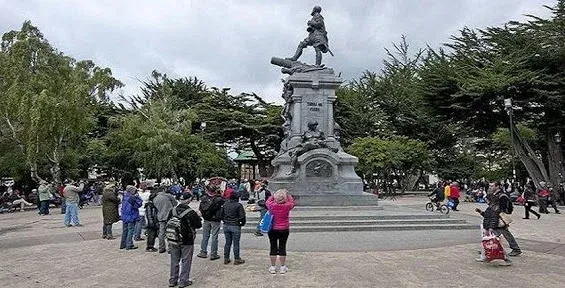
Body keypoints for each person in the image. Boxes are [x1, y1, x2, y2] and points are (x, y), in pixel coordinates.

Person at [168, 193, 202, 288]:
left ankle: (172, 280)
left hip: (173, 238)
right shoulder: (190, 212)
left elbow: (168, 222)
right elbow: (198, 225)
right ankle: (183, 281)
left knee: (174, 260)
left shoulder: (173, 210)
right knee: (186, 260)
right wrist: (198, 216)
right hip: (187, 239)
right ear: (189, 200)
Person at [475, 193, 512, 265]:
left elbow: (494, 219)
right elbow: (487, 216)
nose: (486, 201)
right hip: (489, 227)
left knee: (495, 243)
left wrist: (491, 228)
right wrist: (480, 212)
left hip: (492, 228)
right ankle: (483, 256)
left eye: (487, 200)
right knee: (487, 242)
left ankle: (506, 258)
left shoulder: (494, 208)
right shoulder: (492, 207)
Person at [266, 189, 296, 274]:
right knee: (282, 247)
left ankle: (273, 267)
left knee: (273, 247)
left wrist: (274, 195)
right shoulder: (287, 206)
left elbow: (268, 201)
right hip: (284, 229)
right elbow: (292, 202)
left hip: (272, 228)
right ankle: (282, 267)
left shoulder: (271, 205)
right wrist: (287, 194)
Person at [197, 186, 225, 260]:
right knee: (214, 237)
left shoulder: (204, 198)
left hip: (206, 219)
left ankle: (203, 252)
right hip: (215, 219)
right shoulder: (219, 199)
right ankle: (213, 254)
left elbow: (200, 208)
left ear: (207, 190)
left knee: (205, 236)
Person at [493, 183, 522, 256]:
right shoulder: (497, 195)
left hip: (500, 218)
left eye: (492, 186)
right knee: (494, 233)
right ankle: (489, 248)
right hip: (497, 217)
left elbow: (502, 208)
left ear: (497, 186)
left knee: (504, 233)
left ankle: (516, 248)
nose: (491, 187)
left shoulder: (502, 196)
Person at [221, 190, 246, 265]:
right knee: (236, 243)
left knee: (227, 243)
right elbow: (242, 216)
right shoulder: (238, 205)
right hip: (235, 225)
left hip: (226, 225)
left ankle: (226, 258)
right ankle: (237, 259)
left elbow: (221, 215)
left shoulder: (225, 204)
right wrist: (242, 224)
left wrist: (225, 220)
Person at [153, 187, 178, 253]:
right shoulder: (168, 196)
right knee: (170, 231)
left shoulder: (155, 198)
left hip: (160, 216)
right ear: (164, 190)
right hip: (169, 216)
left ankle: (161, 247)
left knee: (161, 233)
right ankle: (170, 248)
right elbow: (175, 203)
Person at [120, 185, 142, 250]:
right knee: (130, 230)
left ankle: (123, 244)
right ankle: (129, 244)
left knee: (125, 230)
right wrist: (137, 197)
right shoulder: (132, 198)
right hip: (131, 216)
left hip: (125, 215)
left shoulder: (125, 196)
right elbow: (138, 205)